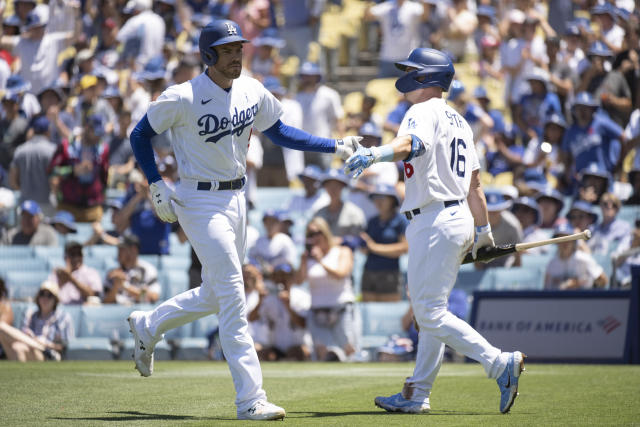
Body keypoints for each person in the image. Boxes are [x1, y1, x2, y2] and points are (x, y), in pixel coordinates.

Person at [124, 19, 361, 421]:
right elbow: (139, 134)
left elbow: (281, 132)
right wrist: (155, 183)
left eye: (239, 48)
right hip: (198, 200)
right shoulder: (183, 96)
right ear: (208, 55)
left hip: (238, 198)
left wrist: (335, 145)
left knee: (215, 294)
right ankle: (250, 399)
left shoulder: (251, 88)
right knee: (233, 295)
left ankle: (150, 324)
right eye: (228, 49)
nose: (237, 55)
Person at [344, 47, 525, 415]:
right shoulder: (460, 120)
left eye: (412, 69)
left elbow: (411, 145)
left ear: (427, 75)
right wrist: (483, 232)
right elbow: (475, 185)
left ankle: (498, 362)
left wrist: (375, 154)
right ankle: (417, 394)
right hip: (454, 217)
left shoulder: (421, 110)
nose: (406, 74)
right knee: (431, 311)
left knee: (428, 313)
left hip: (434, 220)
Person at [293, 216, 357, 362]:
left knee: (348, 350)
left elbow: (341, 274)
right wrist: (303, 262)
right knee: (323, 353)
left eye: (317, 233)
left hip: (340, 308)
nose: (314, 237)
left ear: (326, 233)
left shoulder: (342, 251)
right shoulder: (308, 257)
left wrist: (321, 261)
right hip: (317, 311)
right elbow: (298, 281)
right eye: (310, 234)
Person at [248, 263, 311, 361]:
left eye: (285, 275)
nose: (281, 278)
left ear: (292, 277)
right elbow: (252, 318)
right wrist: (260, 302)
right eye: (278, 275)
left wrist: (288, 306)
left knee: (297, 353)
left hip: (297, 346)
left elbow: (303, 323)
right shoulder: (269, 297)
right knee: (260, 353)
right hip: (275, 348)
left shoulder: (301, 296)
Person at [0, 281, 74, 361]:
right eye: (42, 294)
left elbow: (62, 346)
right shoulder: (30, 314)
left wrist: (43, 343)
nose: (45, 298)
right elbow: (23, 335)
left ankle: (42, 349)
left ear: (55, 299)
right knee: (16, 346)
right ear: (38, 297)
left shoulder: (63, 317)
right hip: (31, 347)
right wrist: (34, 341)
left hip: (50, 353)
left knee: (3, 329)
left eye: (49, 295)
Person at [360, 183, 408, 302]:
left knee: (389, 313)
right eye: (376, 198)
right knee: (369, 312)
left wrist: (374, 247)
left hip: (390, 274)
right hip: (369, 272)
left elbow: (404, 248)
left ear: (392, 201)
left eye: (382, 198)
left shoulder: (400, 221)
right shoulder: (372, 221)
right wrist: (362, 244)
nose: (378, 202)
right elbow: (365, 249)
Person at [8, 116, 57, 216]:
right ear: (48, 131)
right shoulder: (53, 150)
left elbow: (12, 181)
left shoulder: (20, 150)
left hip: (25, 204)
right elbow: (54, 182)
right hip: (46, 203)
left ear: (33, 130)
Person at [544, 223, 608, 290]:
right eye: (560, 239)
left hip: (583, 298)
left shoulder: (583, 259)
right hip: (559, 299)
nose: (564, 243)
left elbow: (603, 280)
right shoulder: (552, 264)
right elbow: (546, 289)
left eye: (568, 238)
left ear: (573, 241)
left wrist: (582, 284)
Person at [103, 235, 160, 305]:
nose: (119, 252)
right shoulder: (113, 273)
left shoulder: (147, 270)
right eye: (118, 249)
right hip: (118, 313)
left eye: (122, 249)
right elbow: (105, 303)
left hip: (140, 312)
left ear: (134, 249)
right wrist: (116, 286)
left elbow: (153, 297)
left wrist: (125, 286)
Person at [313, 168, 366, 238]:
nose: (333, 189)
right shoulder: (319, 213)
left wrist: (342, 241)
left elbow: (358, 239)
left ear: (343, 187)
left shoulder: (354, 213)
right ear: (325, 188)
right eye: (329, 185)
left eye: (337, 185)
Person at [47, 241, 103, 305]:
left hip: (83, 310)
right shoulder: (57, 274)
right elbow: (47, 295)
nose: (76, 258)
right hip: (59, 311)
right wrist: (62, 281)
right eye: (72, 254)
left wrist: (71, 279)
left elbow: (93, 295)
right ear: (65, 257)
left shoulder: (91, 273)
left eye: (79, 254)